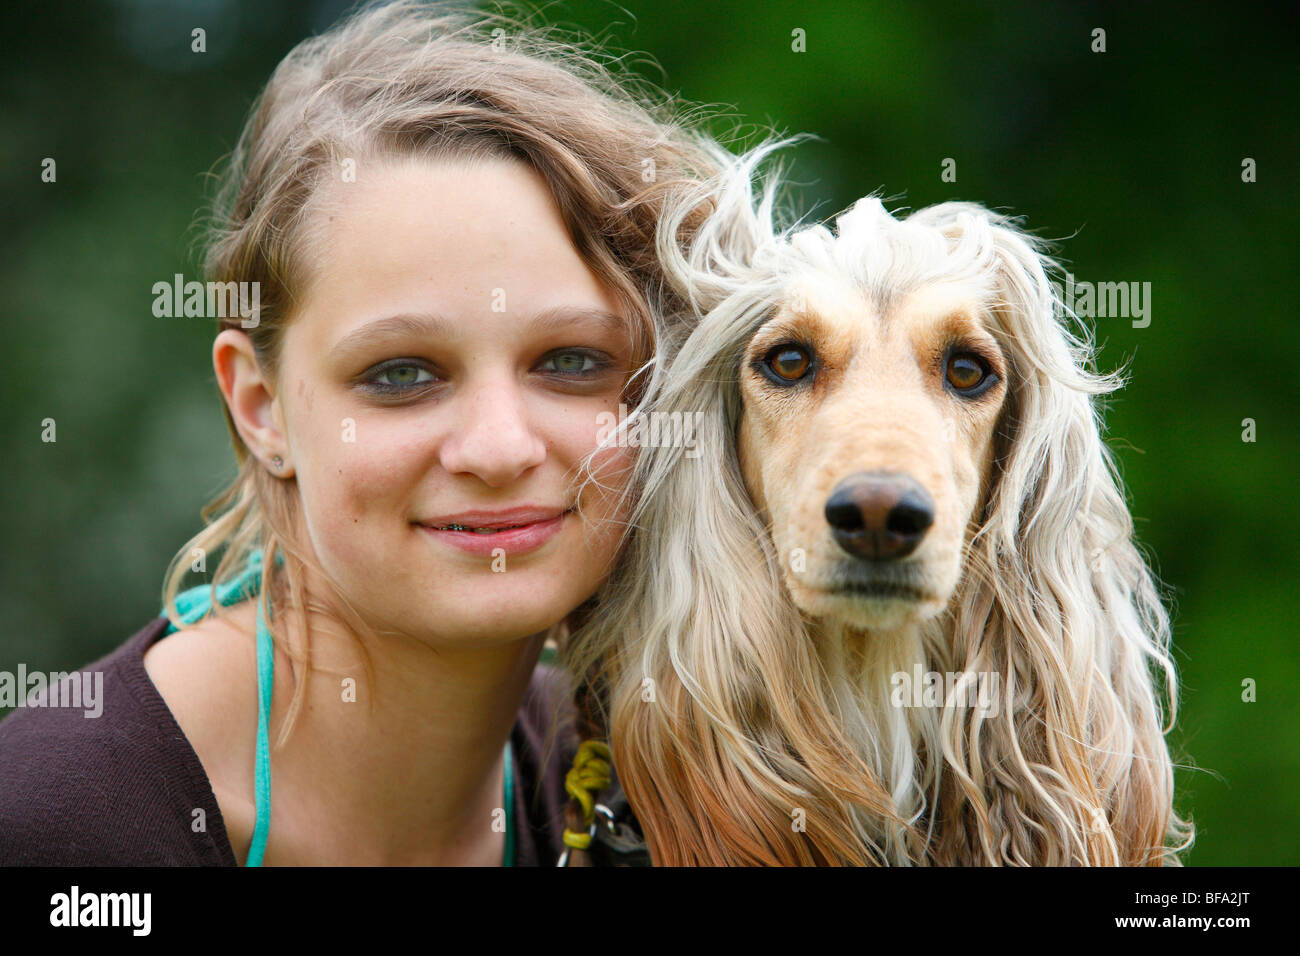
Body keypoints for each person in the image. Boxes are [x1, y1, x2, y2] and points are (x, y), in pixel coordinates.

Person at [0, 0, 724, 866]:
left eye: (570, 361)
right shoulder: (59, 827)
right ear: (259, 407)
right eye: (402, 375)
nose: (499, 448)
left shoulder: (643, 793)